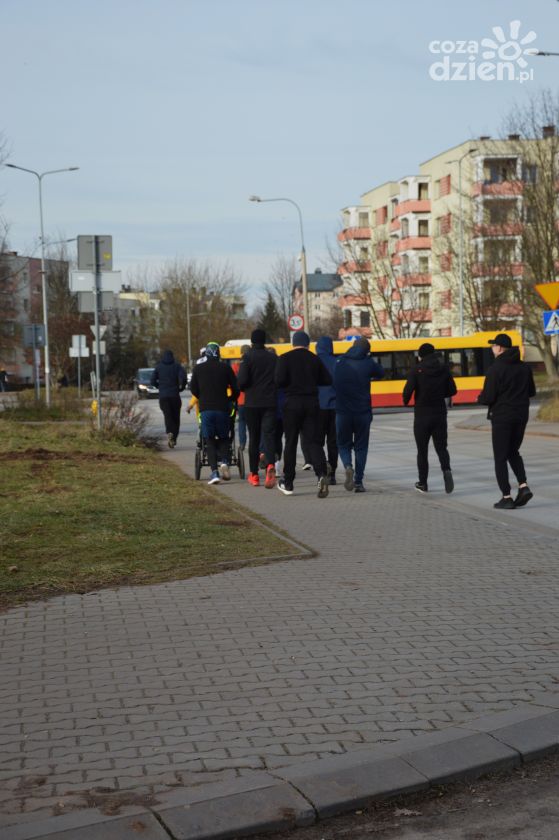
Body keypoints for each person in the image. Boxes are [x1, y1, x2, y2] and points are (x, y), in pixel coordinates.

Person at [477, 333, 536, 509]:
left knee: (500, 457)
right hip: (521, 416)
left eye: (493, 345)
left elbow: (488, 397)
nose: (492, 348)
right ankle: (523, 486)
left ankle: (506, 497)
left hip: (502, 417)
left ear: (500, 348)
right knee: (513, 451)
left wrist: (480, 398)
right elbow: (531, 392)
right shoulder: (525, 368)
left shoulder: (495, 369)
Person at [274, 330, 331, 498]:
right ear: (308, 344)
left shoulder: (284, 358)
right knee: (313, 442)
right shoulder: (315, 359)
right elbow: (327, 380)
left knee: (291, 442)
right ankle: (321, 475)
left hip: (292, 404)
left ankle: (288, 483)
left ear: (293, 343)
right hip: (312, 403)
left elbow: (278, 381)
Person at [402, 342, 457, 494]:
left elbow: (408, 390)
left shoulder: (416, 369)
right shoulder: (444, 368)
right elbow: (453, 390)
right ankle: (446, 470)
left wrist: (406, 401)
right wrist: (440, 393)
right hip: (439, 413)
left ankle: (423, 483)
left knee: (422, 451)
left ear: (420, 355)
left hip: (422, 415)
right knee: (442, 448)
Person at [334, 337, 384, 493]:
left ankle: (348, 466)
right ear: (367, 350)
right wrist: (369, 358)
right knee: (361, 447)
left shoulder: (340, 361)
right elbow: (381, 373)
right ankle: (358, 482)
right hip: (363, 413)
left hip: (343, 412)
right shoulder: (368, 363)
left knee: (343, 444)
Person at [189, 342, 239, 485]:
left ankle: (214, 472)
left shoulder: (198, 369)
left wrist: (202, 396)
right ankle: (224, 461)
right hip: (222, 408)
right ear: (219, 354)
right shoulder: (226, 368)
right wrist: (230, 398)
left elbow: (193, 389)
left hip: (206, 409)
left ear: (206, 354)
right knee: (224, 438)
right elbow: (236, 388)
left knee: (209, 440)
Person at [237, 329, 277, 489]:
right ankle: (270, 465)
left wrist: (247, 387)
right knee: (269, 436)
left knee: (254, 438)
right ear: (264, 340)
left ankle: (254, 475)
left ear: (252, 341)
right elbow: (279, 378)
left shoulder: (247, 358)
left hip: (252, 403)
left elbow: (241, 381)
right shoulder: (273, 358)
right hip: (270, 402)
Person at [151, 349, 187, 448]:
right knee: (176, 417)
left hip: (163, 397)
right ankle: (174, 437)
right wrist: (181, 387)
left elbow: (152, 380)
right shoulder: (177, 366)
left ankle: (169, 432)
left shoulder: (159, 367)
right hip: (174, 395)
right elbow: (183, 378)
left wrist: (159, 387)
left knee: (168, 416)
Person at [316, 336, 339, 484]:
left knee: (317, 442)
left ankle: (322, 470)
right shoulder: (337, 362)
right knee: (333, 442)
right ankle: (332, 474)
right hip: (335, 407)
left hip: (318, 408)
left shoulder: (314, 361)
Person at [231, 344, 250, 452]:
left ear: (241, 353)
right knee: (253, 424)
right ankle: (255, 444)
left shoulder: (235, 366)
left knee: (241, 422)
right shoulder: (251, 363)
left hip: (240, 400)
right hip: (251, 399)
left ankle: (242, 443)